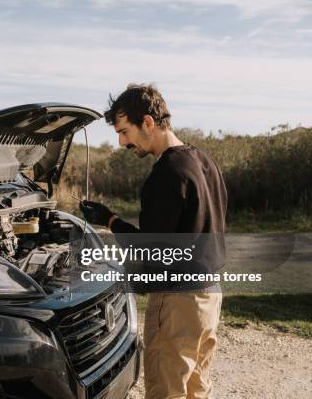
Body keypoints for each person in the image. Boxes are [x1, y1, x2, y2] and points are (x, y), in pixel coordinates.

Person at [79, 84, 227, 399]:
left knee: (166, 391)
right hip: (210, 297)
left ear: (148, 122)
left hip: (177, 303)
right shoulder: (204, 161)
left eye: (124, 131)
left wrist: (110, 223)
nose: (121, 142)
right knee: (196, 390)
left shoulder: (165, 173)